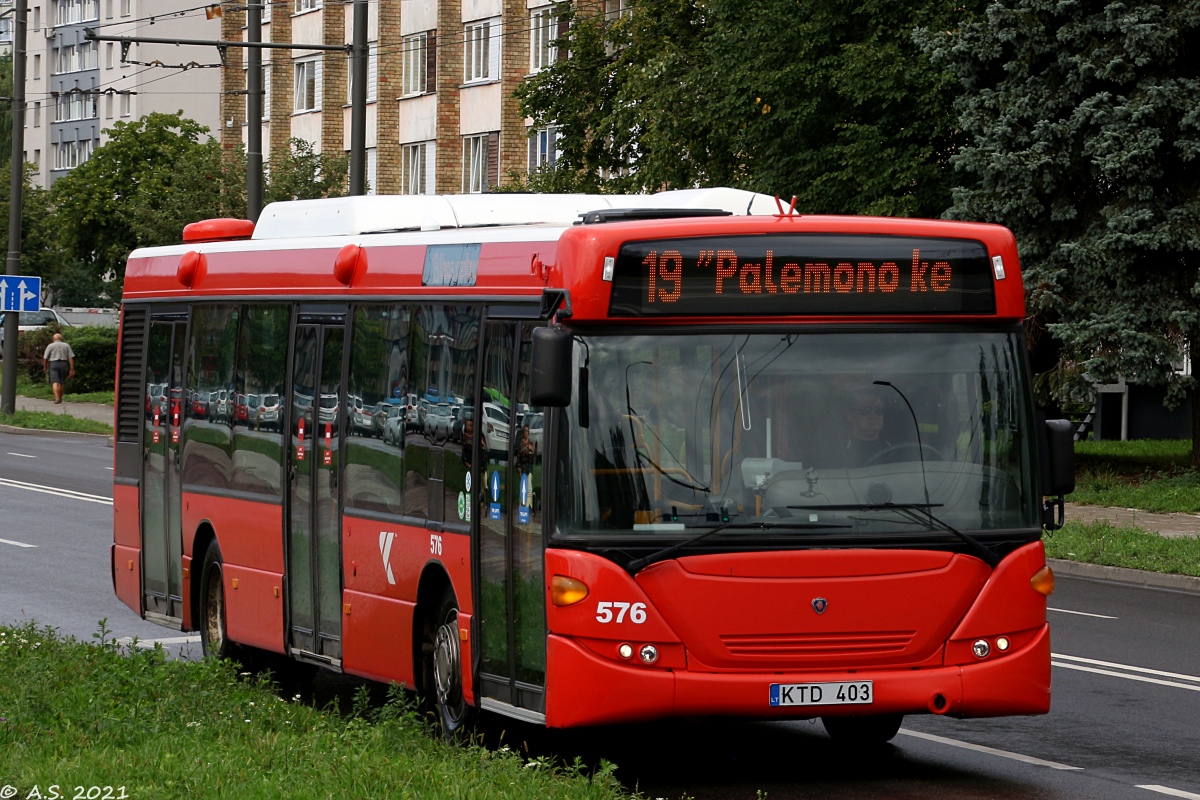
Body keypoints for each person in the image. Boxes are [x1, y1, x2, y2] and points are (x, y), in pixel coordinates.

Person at [840, 387, 891, 466]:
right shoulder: (839, 451)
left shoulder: (893, 448)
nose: (874, 415)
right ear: (850, 415)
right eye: (865, 410)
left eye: (878, 410)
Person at [42, 332, 76, 405]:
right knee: (61, 381)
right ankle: (60, 397)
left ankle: (57, 398)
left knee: (55, 381)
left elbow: (45, 358)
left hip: (54, 364)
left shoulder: (50, 346)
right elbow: (70, 358)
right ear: (61, 339)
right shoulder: (66, 345)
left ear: (53, 339)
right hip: (64, 364)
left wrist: (45, 366)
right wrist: (72, 368)